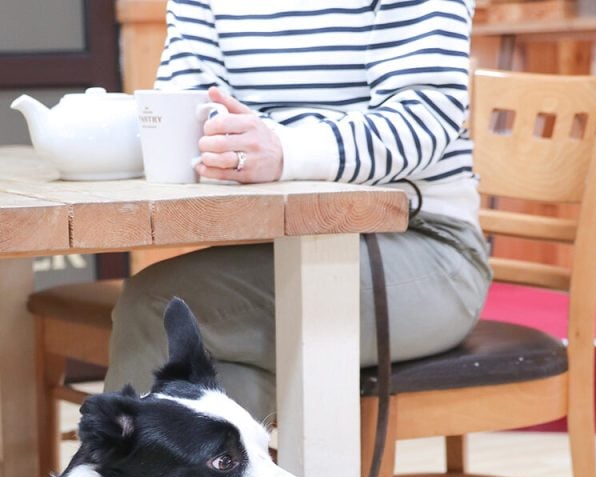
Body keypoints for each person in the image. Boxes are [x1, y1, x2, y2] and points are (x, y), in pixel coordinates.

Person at [105, 0, 491, 427]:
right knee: (214, 386)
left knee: (158, 308)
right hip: (275, 245)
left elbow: (424, 117)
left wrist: (284, 150)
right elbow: (188, 108)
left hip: (423, 244)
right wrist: (237, 142)